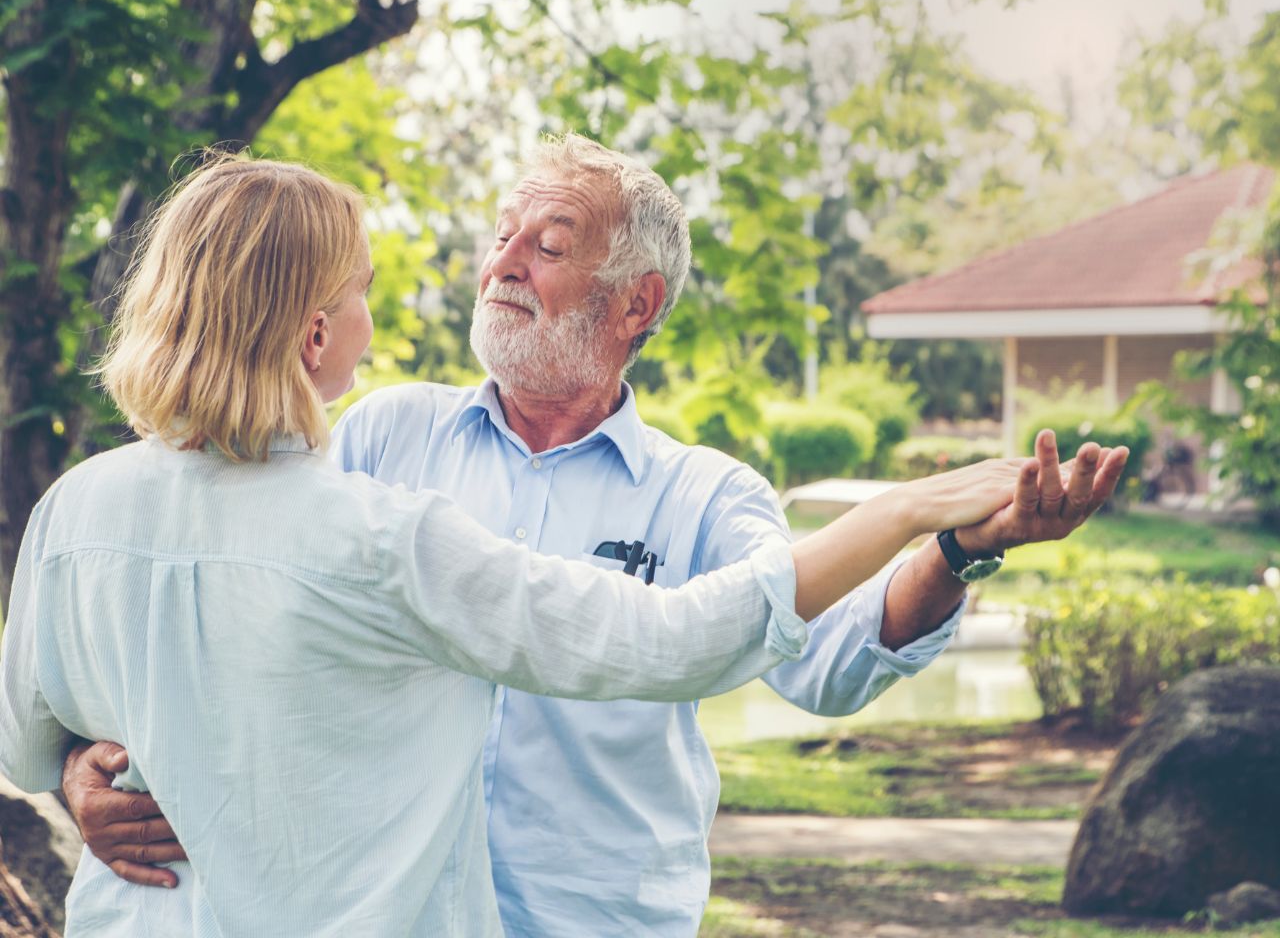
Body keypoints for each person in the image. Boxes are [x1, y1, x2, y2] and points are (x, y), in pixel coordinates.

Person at [57, 141, 1127, 935]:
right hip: (388, 909)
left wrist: (949, 551)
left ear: (635, 303)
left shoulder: (704, 494)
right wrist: (82, 774)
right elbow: (217, 626)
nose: (503, 262)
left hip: (591, 918)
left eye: (548, 243)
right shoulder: (376, 438)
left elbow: (834, 662)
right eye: (503, 237)